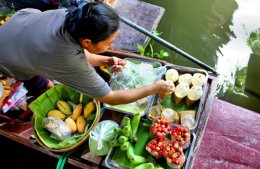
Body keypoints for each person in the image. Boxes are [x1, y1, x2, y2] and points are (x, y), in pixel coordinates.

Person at [0, 2, 173, 105]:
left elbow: (78, 52)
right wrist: (153, 88)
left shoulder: (72, 17)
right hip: (7, 58)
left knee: (42, 61)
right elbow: (109, 97)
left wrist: (106, 60)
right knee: (41, 84)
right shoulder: (65, 58)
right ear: (87, 42)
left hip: (20, 26)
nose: (112, 45)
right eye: (109, 43)